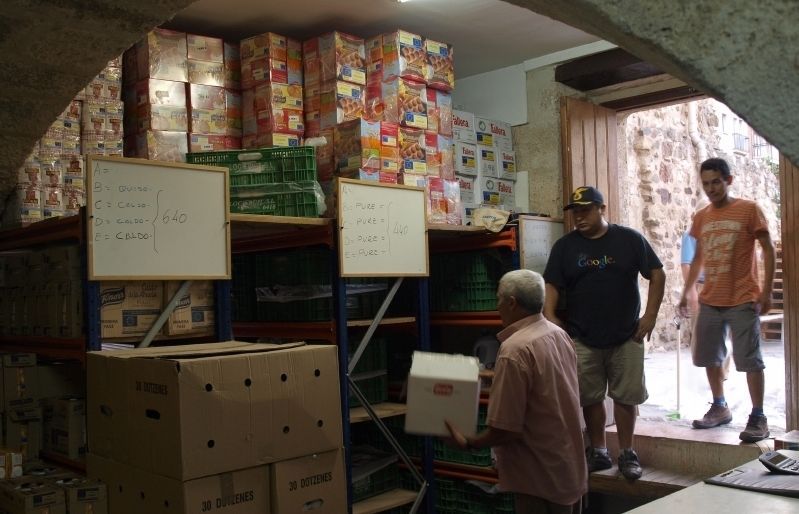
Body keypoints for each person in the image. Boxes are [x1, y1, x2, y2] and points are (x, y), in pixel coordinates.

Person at [542, 186, 665, 480]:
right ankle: (598, 451)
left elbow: (657, 273)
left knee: (625, 397)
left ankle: (626, 453)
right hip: (582, 336)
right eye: (575, 212)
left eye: (586, 210)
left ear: (602, 209)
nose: (579, 217)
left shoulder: (629, 239)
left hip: (627, 334)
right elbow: (552, 285)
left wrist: (650, 316)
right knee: (590, 396)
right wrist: (551, 316)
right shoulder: (565, 247)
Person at [445, 269, 587, 514]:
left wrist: (469, 442)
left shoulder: (515, 350)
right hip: (568, 468)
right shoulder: (558, 335)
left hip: (538, 478)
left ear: (512, 302)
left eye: (499, 298)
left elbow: (505, 429)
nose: (497, 305)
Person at [679, 157, 775, 442]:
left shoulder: (748, 210)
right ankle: (719, 407)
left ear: (728, 180)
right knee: (708, 356)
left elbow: (767, 249)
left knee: (750, 360)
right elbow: (698, 257)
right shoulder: (702, 217)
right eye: (706, 184)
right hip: (711, 298)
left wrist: (767, 290)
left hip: (743, 297)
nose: (711, 189)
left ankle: (758, 416)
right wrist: (687, 292)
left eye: (716, 182)